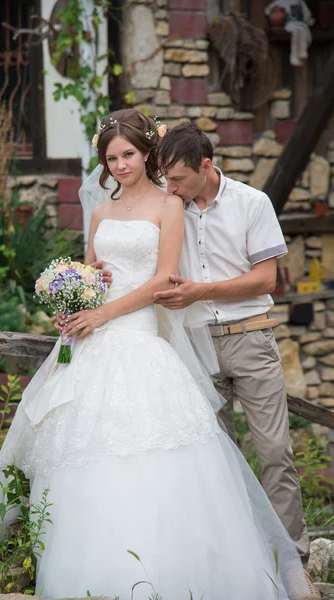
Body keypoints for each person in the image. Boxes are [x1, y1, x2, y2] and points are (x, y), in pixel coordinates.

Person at [0, 109, 315, 600]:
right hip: (97, 343)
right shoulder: (99, 213)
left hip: (150, 338)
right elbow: (97, 272)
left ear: (147, 156)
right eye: (111, 158)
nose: (119, 165)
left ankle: (279, 563)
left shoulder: (171, 206)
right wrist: (75, 301)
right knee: (82, 452)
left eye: (128, 155)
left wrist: (104, 314)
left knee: (223, 453)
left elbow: (164, 279)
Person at [153, 123, 314, 577]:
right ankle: (236, 560)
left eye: (179, 179)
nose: (171, 187)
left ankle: (292, 561)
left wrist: (201, 291)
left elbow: (266, 280)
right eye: (166, 178)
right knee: (215, 459)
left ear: (206, 166)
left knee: (274, 452)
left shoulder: (252, 203)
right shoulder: (170, 206)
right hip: (196, 344)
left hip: (251, 338)